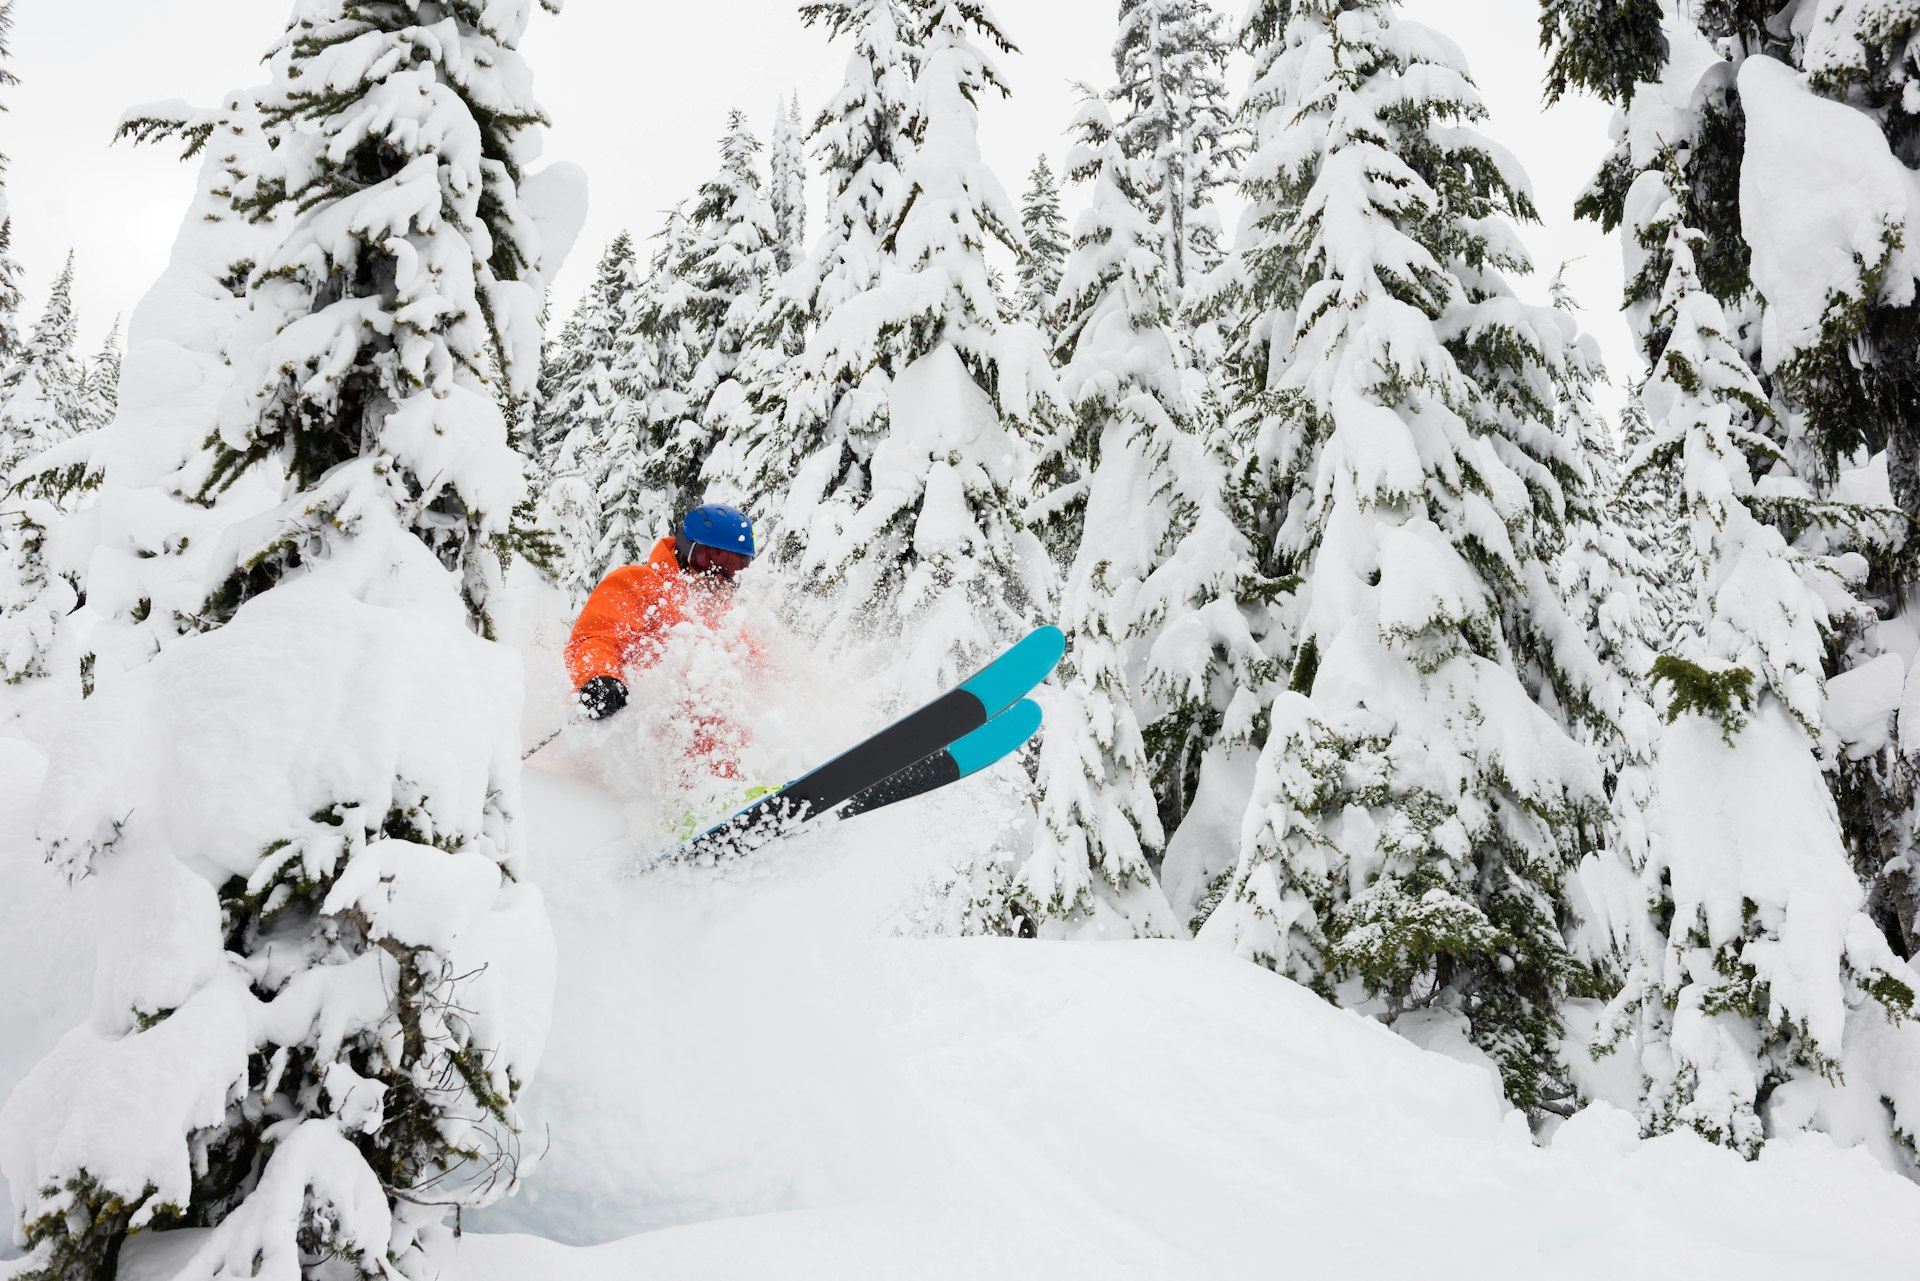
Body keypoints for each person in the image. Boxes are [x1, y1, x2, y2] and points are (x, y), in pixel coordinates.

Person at [565, 502, 757, 722]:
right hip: (638, 729)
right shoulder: (638, 583)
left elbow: (760, 669)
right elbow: (597, 637)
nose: (719, 574)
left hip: (708, 746)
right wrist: (600, 677)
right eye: (712, 559)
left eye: (736, 565)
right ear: (687, 550)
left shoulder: (728, 618)